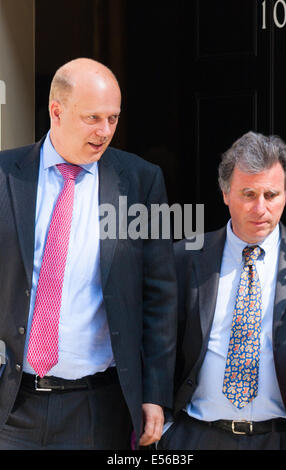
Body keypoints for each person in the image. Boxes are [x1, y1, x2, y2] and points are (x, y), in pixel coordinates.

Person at [0, 58, 177, 450]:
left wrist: (156, 393)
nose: (105, 131)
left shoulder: (142, 182)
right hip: (10, 404)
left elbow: (160, 296)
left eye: (113, 118)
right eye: (93, 117)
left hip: (97, 409)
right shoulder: (4, 174)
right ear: (57, 111)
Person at [158, 131, 286, 450]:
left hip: (282, 438)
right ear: (225, 193)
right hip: (197, 436)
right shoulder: (185, 258)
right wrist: (167, 427)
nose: (260, 208)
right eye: (248, 194)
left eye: (271, 195)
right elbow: (157, 344)